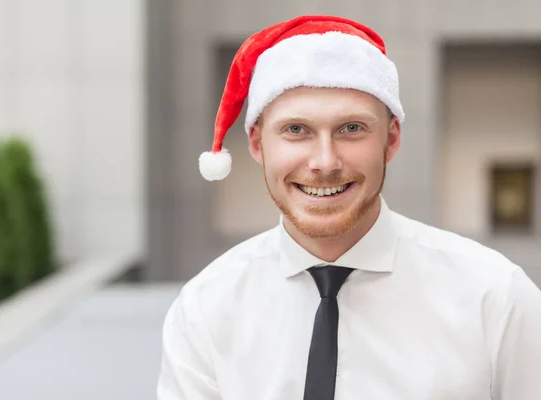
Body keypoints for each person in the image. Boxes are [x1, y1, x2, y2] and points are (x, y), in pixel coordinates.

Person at [156, 15, 541, 400]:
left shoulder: (495, 298)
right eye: (296, 130)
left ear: (391, 139)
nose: (325, 162)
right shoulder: (205, 310)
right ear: (257, 144)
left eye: (352, 128)